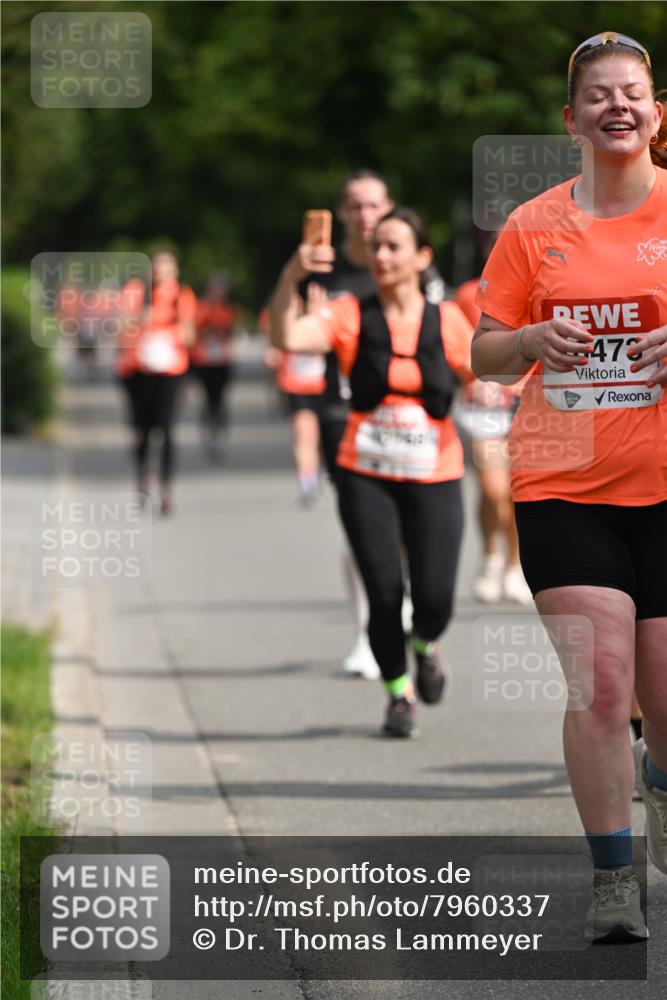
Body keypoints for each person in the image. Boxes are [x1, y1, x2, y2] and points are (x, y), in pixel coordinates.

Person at [471, 32, 667, 942]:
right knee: (599, 683)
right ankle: (613, 880)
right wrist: (527, 341)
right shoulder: (533, 225)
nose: (615, 106)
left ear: (656, 113)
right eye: (597, 95)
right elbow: (483, 351)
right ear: (570, 119)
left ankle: (656, 781)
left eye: (631, 92)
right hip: (563, 480)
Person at [271, 207, 474, 738]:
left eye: (394, 247)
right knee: (383, 593)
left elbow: (485, 370)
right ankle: (398, 693)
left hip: (435, 472)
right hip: (365, 473)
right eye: (376, 247)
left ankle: (425, 645)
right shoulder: (348, 314)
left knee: (435, 597)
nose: (381, 256)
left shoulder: (448, 320)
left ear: (422, 257)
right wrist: (293, 275)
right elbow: (287, 338)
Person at [455, 256, 532, 605]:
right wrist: (470, 378)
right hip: (486, 406)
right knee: (493, 489)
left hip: (527, 404)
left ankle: (514, 566)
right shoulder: (468, 294)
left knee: (517, 493)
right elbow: (458, 344)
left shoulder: (541, 291)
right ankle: (490, 557)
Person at [116, 250, 196, 514]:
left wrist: (169, 335)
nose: (162, 272)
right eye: (158, 266)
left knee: (167, 430)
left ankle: (166, 488)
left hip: (169, 371)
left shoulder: (181, 295)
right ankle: (142, 477)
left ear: (175, 270)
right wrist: (140, 320)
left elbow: (189, 333)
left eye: (167, 266)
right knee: (142, 431)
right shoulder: (135, 292)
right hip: (137, 371)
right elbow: (119, 326)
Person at [191, 273, 239, 462]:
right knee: (208, 397)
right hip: (204, 360)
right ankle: (209, 426)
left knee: (220, 397)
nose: (219, 292)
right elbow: (194, 330)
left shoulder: (229, 309)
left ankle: (219, 427)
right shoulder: (201, 307)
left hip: (222, 359)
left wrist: (224, 332)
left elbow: (232, 330)